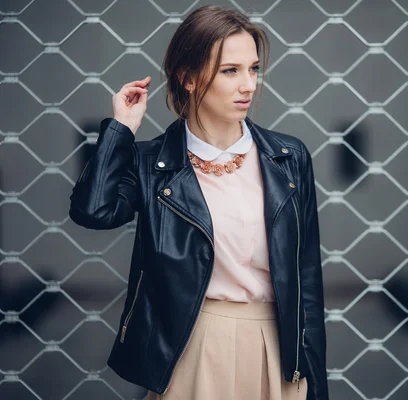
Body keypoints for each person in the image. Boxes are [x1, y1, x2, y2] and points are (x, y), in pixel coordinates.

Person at [69, 5, 328, 400]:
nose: (249, 85)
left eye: (253, 69)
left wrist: (316, 382)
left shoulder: (289, 158)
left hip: (276, 347)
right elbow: (93, 210)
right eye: (230, 71)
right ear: (188, 78)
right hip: (194, 346)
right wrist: (121, 129)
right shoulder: (153, 164)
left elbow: (307, 280)